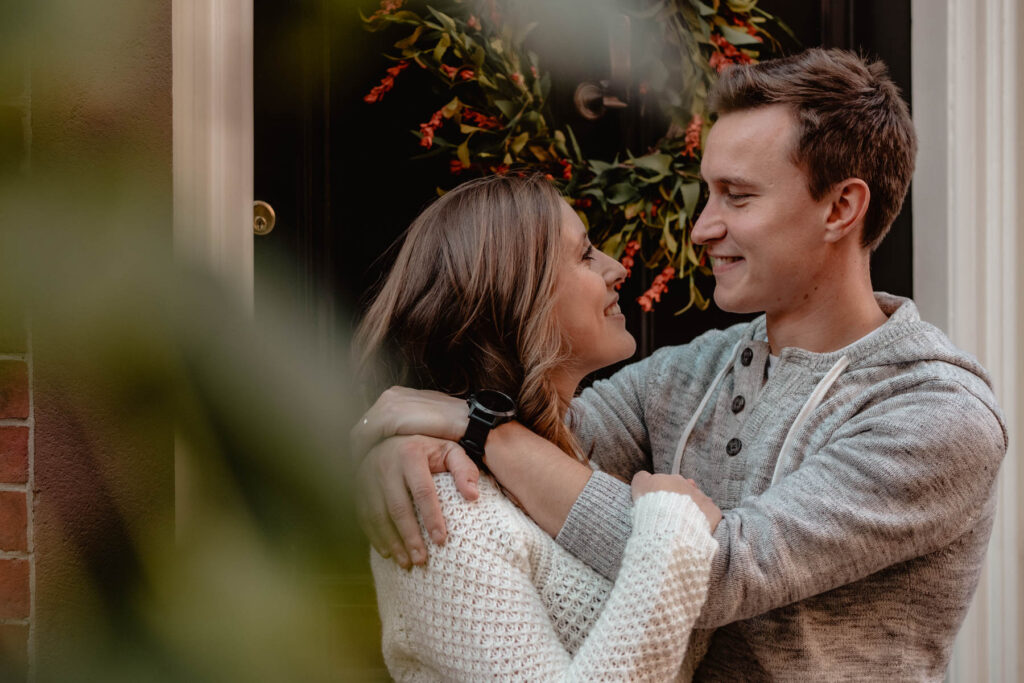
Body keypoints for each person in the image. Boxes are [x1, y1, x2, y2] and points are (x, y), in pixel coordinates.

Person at [353, 48, 1008, 680]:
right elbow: (550, 440)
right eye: (707, 193)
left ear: (840, 208)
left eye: (737, 196)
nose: (702, 227)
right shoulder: (688, 373)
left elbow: (718, 570)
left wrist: (479, 430)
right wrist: (410, 446)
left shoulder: (936, 412)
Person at [355, 173, 723, 681]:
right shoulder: (450, 511)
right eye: (586, 255)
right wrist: (672, 535)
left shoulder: (566, 452)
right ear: (515, 299)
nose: (617, 268)